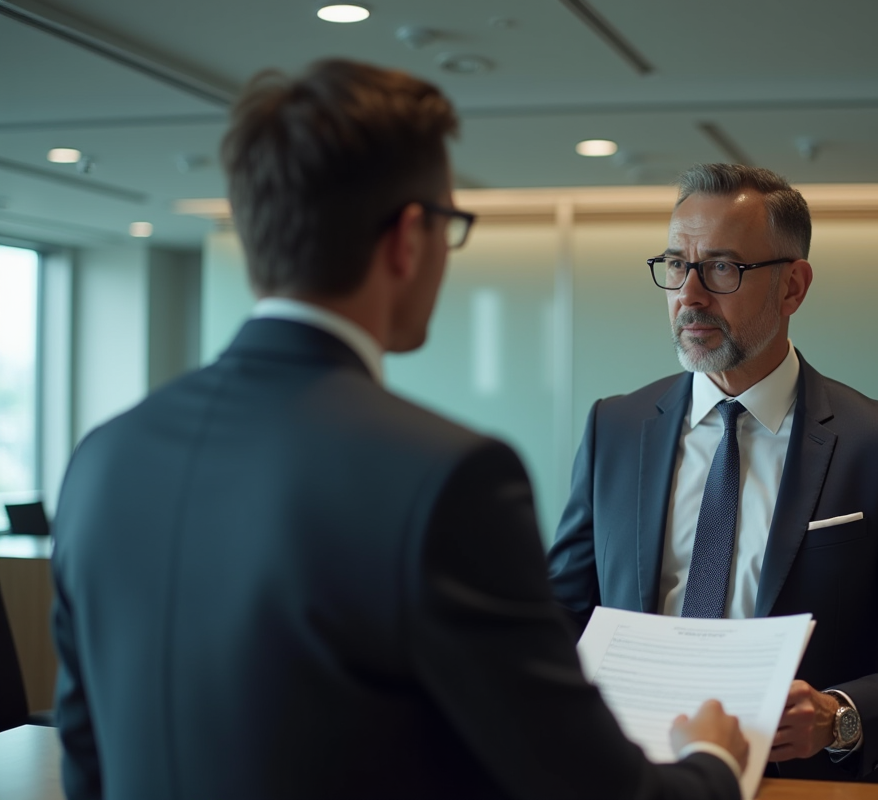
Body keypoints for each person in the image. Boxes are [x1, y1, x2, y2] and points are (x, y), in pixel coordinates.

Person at [50, 61, 747, 800]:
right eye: (452, 224)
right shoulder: (447, 478)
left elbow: (86, 762)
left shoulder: (102, 459)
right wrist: (716, 762)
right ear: (410, 237)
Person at [547, 163, 878, 785]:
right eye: (677, 264)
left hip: (811, 785)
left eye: (723, 268)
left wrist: (841, 716)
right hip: (636, 780)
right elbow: (560, 619)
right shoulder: (616, 429)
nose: (690, 295)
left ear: (793, 287)